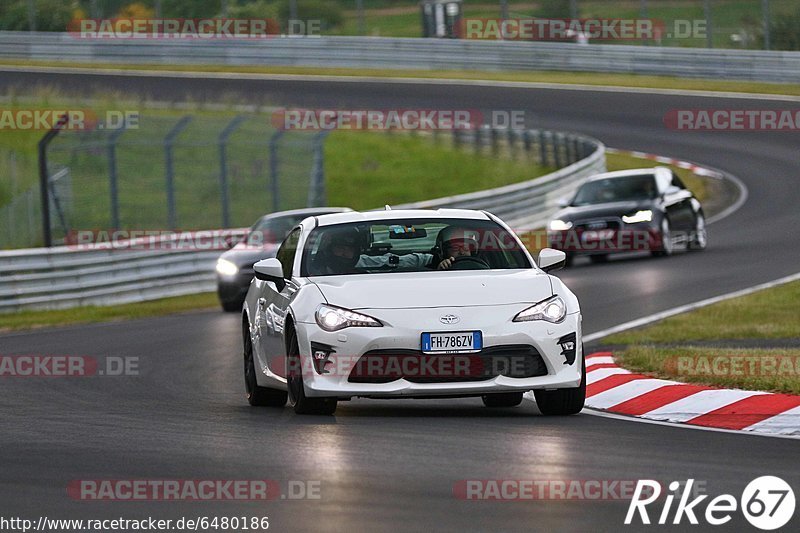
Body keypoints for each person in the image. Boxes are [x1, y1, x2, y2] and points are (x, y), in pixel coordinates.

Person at [310, 225, 482, 275]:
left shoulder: (491, 269)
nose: (462, 252)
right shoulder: (317, 269)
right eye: (455, 247)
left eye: (466, 247)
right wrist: (440, 269)